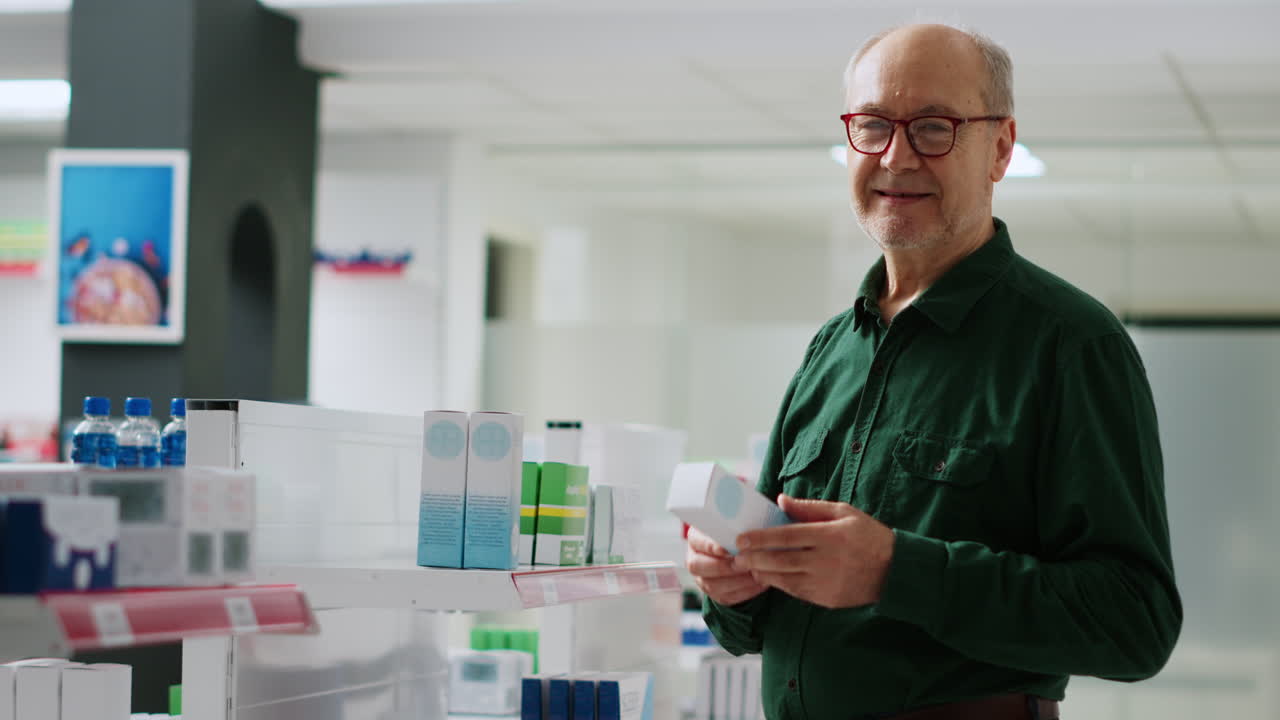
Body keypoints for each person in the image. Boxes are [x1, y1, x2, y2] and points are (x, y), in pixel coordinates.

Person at [686, 23, 1182, 720]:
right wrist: (732, 587)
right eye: (873, 125)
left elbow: (1136, 622)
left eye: (933, 127)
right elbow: (758, 625)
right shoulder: (833, 349)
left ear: (1000, 149)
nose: (896, 156)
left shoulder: (1070, 343)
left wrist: (897, 570)